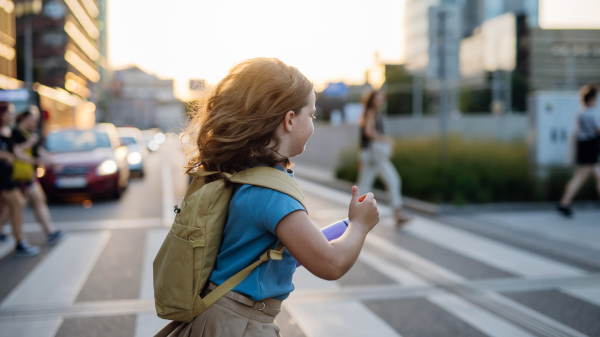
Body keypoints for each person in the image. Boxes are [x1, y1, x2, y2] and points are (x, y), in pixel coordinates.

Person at [155, 58, 379, 337]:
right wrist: (360, 225)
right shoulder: (271, 193)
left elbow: (264, 250)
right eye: (311, 115)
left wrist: (323, 236)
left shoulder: (244, 172)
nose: (312, 123)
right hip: (239, 324)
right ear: (289, 120)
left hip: (221, 314)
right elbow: (331, 264)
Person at [3, 110, 66, 244]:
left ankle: (49, 231)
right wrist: (34, 157)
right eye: (33, 119)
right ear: (24, 119)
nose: (35, 123)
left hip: (27, 174)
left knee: (12, 207)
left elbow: (39, 151)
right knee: (19, 204)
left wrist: (50, 161)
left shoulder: (29, 133)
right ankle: (48, 232)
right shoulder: (15, 133)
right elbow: (16, 152)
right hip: (19, 175)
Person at [357, 90, 411, 228]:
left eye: (382, 97)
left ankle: (397, 213)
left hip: (376, 157)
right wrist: (385, 139)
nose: (381, 100)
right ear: (373, 100)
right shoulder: (371, 112)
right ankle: (357, 217)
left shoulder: (374, 112)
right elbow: (368, 132)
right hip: (373, 156)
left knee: (388, 181)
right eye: (378, 97)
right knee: (368, 185)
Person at [0, 102, 40, 256]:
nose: (12, 115)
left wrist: (35, 161)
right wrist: (5, 155)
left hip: (7, 174)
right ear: (2, 114)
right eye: (10, 112)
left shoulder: (7, 131)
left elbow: (17, 151)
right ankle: (20, 242)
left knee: (5, 207)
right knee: (18, 203)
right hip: (2, 177)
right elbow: (10, 153)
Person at [557, 83, 600, 217]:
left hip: (583, 147)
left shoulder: (580, 112)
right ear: (591, 99)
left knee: (592, 176)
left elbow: (575, 133)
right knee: (581, 177)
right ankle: (564, 203)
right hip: (590, 148)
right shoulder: (591, 114)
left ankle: (564, 203)